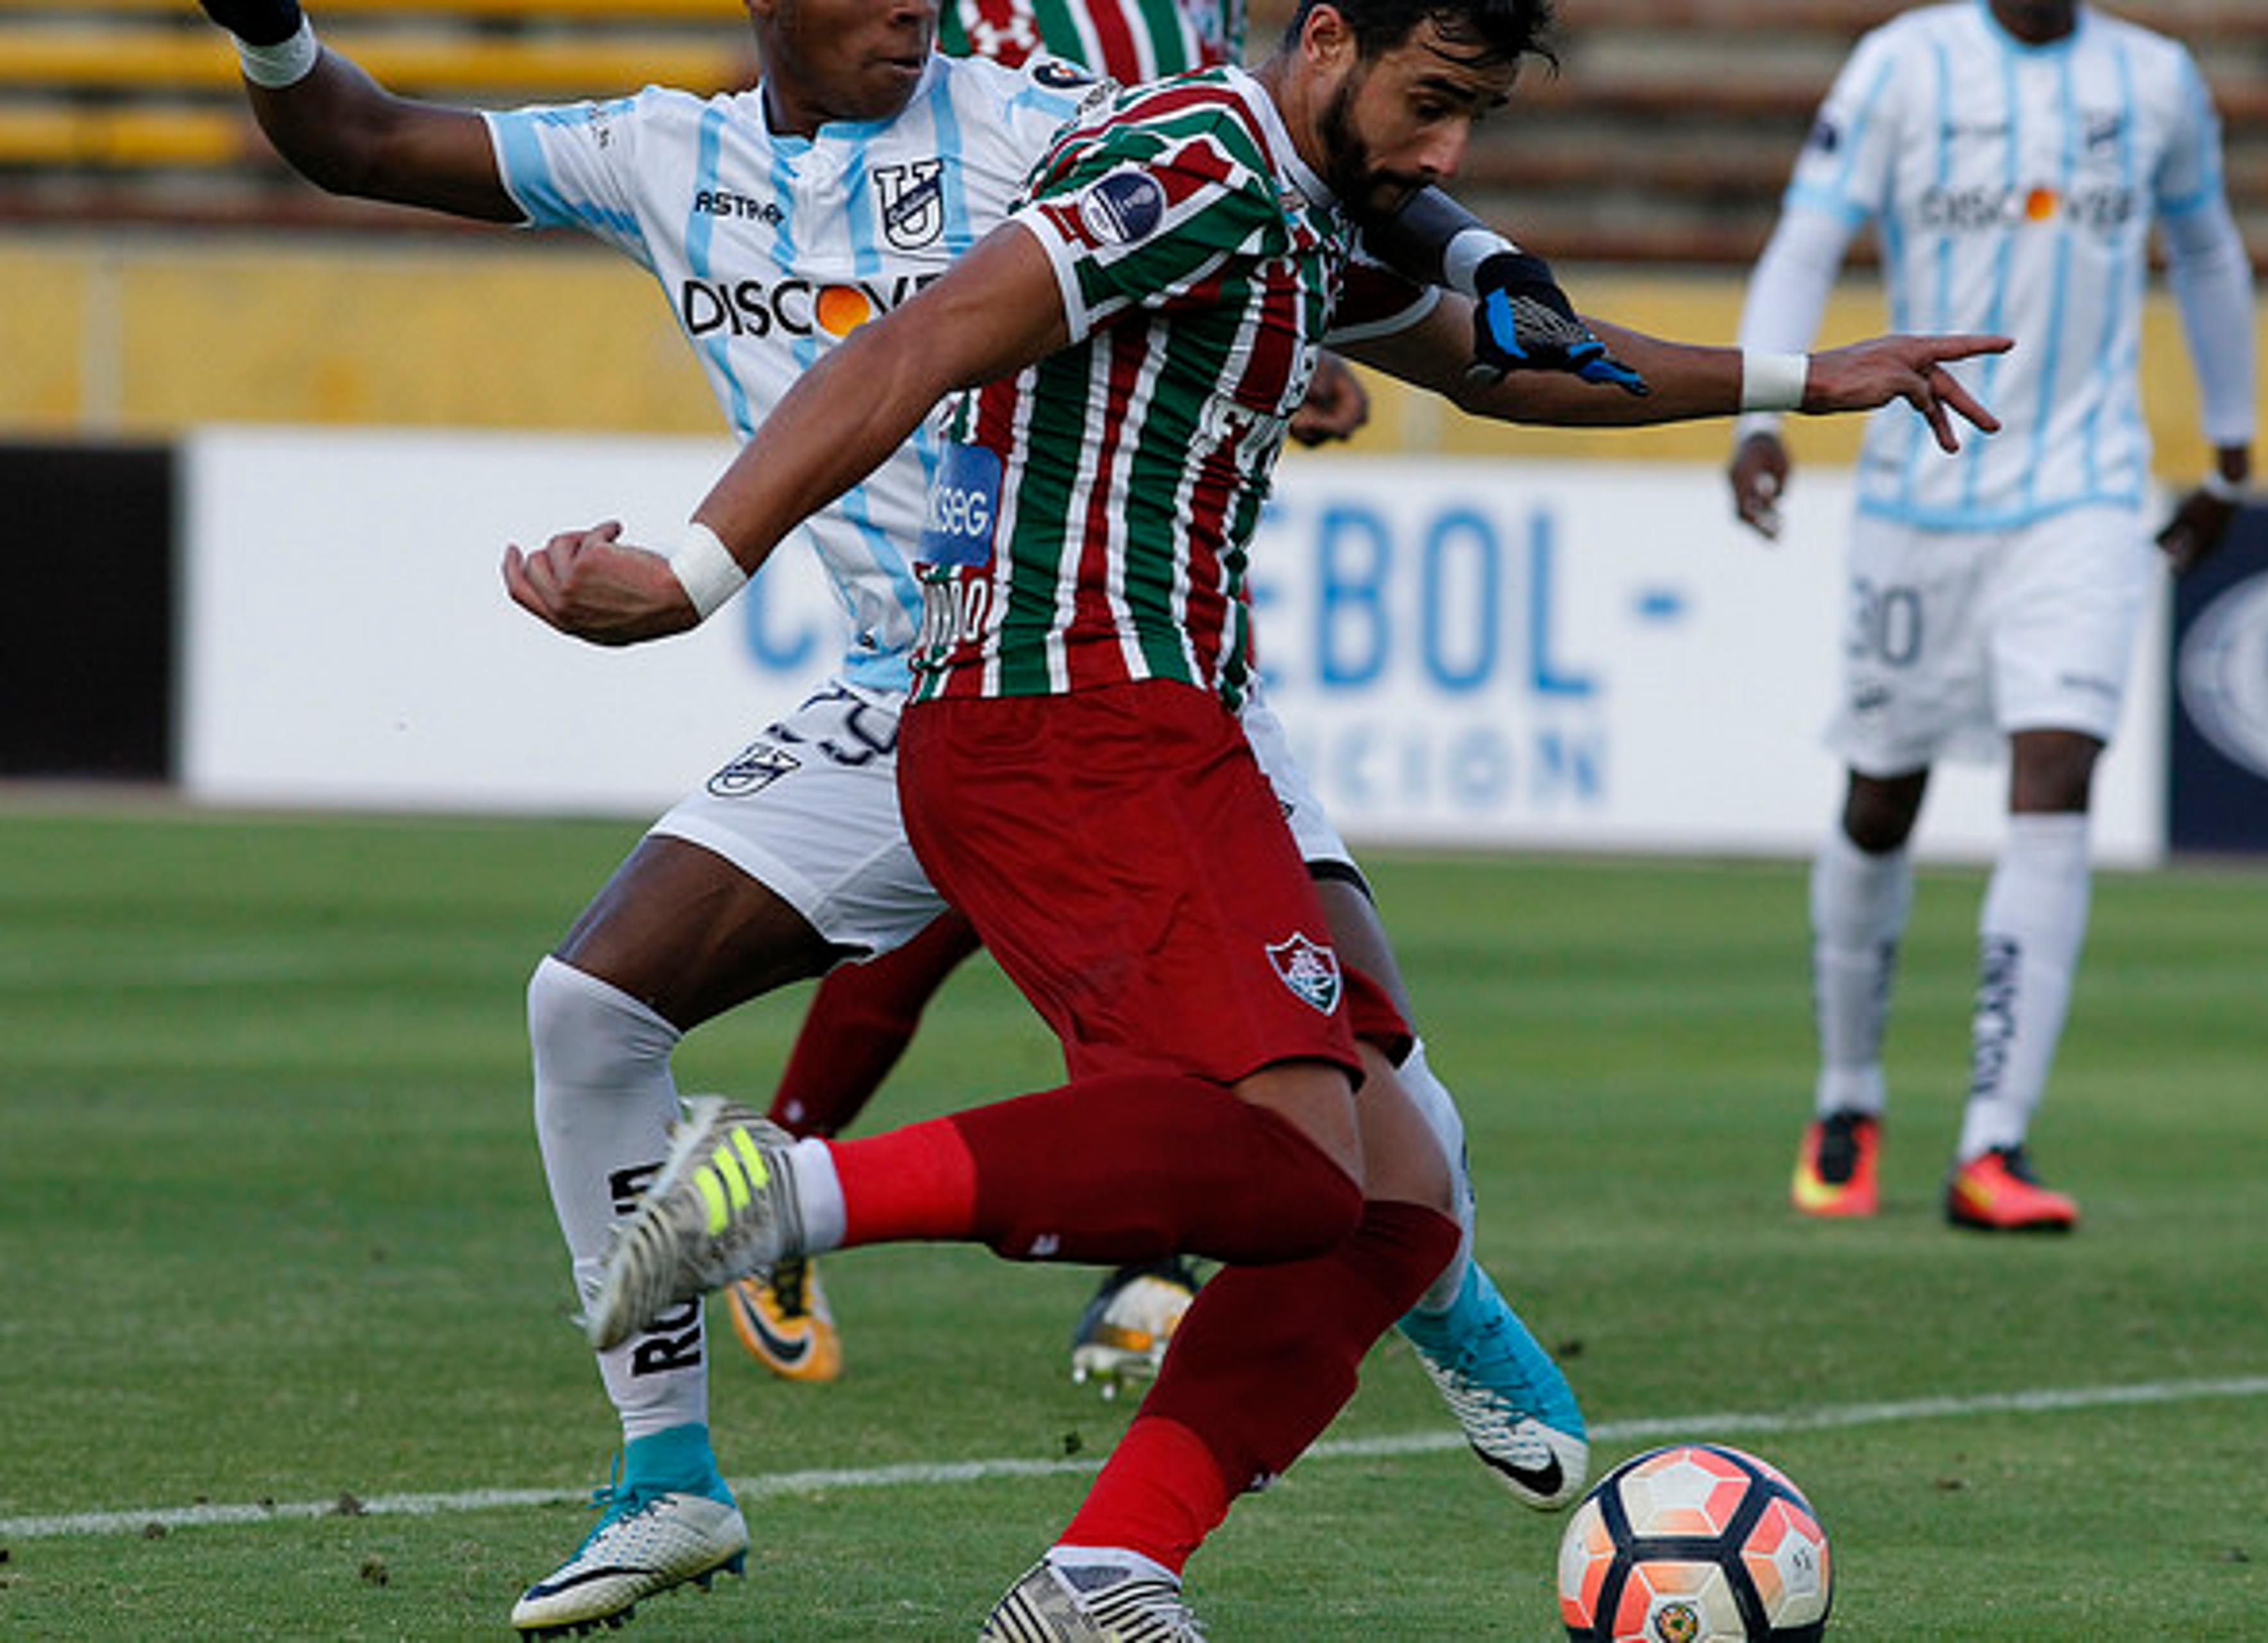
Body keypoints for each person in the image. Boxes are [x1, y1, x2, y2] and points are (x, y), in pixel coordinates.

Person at [507, 0, 2007, 1629]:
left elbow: (1509, 362)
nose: (1445, 156)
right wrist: (693, 572)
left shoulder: (1298, 194)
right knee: (1295, 1176)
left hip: (1166, 725)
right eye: (1430, 104)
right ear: (1323, 39)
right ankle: (780, 1198)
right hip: (1062, 714)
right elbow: (916, 340)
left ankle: (1106, 1569)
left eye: (1472, 121)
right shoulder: (1198, 155)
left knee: (1396, 1204)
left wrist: (1808, 378)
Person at [195, 0, 1635, 1631]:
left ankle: (1438, 1299)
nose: (914, 6)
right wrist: (268, 31)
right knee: (587, 1010)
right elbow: (362, 140)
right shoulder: (661, 153)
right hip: (903, 692)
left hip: (1126, 671)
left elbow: (1331, 191)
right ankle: (666, 1480)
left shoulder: (1041, 113)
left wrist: (1382, 306)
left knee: (1391, 1126)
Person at [1727, 0, 2256, 1232]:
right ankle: (1848, 1096)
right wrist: (1760, 412)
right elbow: (1808, 241)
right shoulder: (1902, 66)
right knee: (1881, 793)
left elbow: (2212, 250)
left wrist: (2231, 451)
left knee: (2057, 769)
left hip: (2084, 491)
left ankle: (1995, 1141)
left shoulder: (2157, 80)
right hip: (1921, 496)